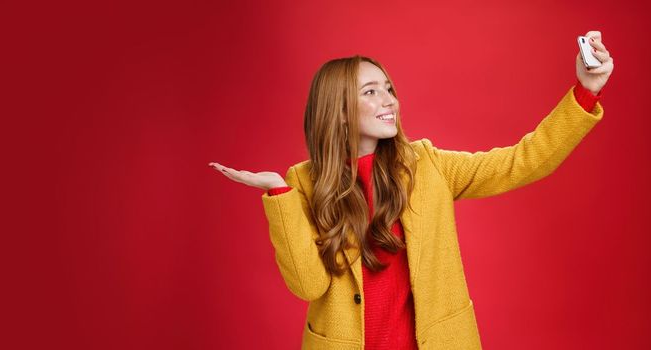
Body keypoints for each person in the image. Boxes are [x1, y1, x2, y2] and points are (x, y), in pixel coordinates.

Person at [209, 30, 613, 350]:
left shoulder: (427, 165)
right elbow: (309, 286)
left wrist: (585, 90)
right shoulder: (305, 183)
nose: (390, 102)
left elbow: (523, 161)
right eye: (371, 92)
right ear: (339, 111)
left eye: (389, 89)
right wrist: (279, 194)